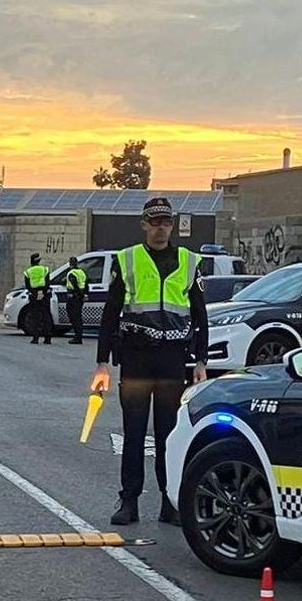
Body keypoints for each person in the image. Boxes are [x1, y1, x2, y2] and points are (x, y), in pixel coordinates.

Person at [92, 197, 208, 526]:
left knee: (167, 436)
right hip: (137, 360)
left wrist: (201, 359)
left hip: (173, 361)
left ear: (172, 226)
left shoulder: (190, 262)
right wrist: (102, 362)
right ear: (144, 225)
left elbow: (201, 314)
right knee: (134, 433)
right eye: (154, 222)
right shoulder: (126, 260)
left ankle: (169, 502)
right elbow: (110, 313)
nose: (161, 228)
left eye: (166, 222)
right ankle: (129, 502)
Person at [23, 253, 53, 345]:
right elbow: (47, 283)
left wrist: (36, 293)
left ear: (31, 261)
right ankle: (47, 338)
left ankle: (35, 338)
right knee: (46, 316)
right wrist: (42, 293)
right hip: (44, 295)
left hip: (34, 296)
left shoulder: (28, 272)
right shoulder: (44, 269)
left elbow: (28, 286)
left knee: (35, 317)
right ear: (39, 261)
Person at [64, 256, 88, 345]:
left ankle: (78, 337)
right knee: (77, 316)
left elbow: (75, 286)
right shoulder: (82, 272)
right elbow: (86, 284)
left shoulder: (71, 273)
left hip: (74, 297)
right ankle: (78, 336)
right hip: (79, 298)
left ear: (70, 263)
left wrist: (80, 295)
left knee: (74, 317)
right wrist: (85, 295)